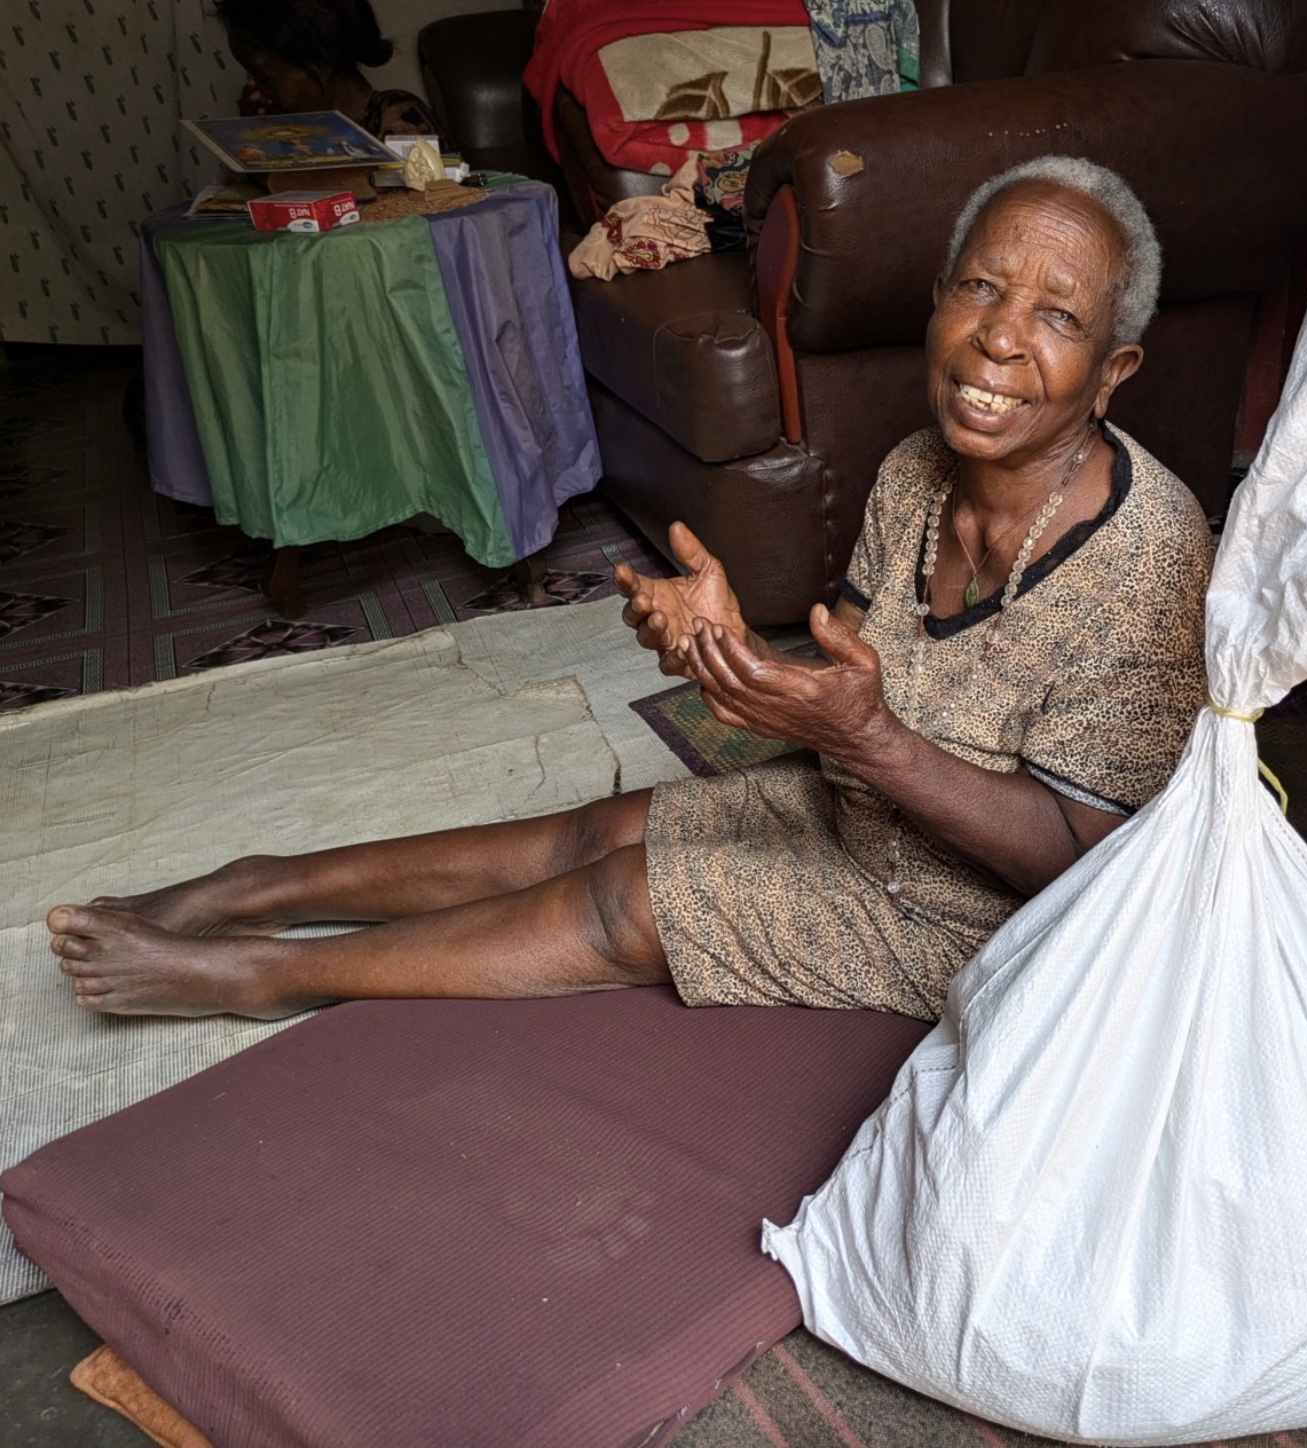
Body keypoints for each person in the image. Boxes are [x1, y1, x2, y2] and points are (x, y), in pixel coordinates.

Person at [44, 157, 1214, 1023]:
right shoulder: (919, 466)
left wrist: (873, 743)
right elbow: (849, 670)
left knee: (626, 901)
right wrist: (733, 655)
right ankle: (258, 886)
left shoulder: (1149, 557)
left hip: (982, 915)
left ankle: (260, 973)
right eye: (980, 287)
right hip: (865, 803)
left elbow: (1089, 859)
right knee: (593, 828)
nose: (998, 338)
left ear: (1112, 372)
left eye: (1056, 315)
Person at [220, 0, 438, 139]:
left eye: (263, 77)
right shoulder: (295, 126)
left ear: (320, 65)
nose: (252, 87)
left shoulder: (398, 119)